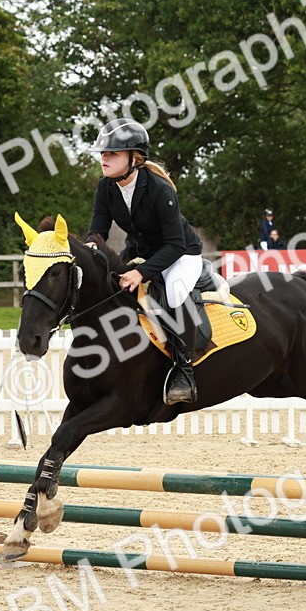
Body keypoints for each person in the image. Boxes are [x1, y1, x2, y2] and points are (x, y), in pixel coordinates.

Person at [88, 117, 205, 404]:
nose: (104, 158)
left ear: (134, 157)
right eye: (103, 153)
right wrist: (91, 247)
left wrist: (141, 272)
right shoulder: (106, 187)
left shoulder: (159, 189)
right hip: (141, 251)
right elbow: (98, 230)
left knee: (172, 294)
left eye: (112, 153)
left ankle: (183, 369)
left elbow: (175, 243)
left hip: (181, 254)